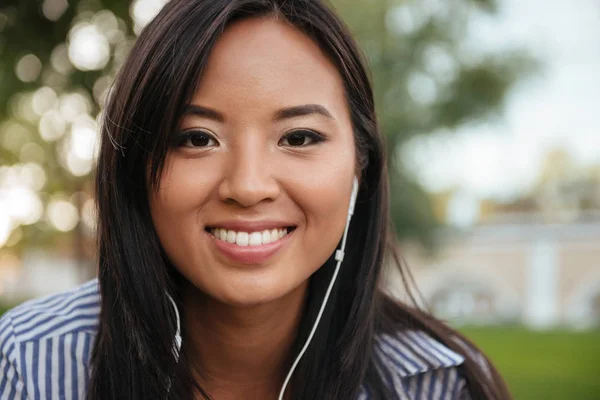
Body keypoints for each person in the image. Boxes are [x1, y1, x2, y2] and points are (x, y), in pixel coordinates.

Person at [0, 0, 512, 399]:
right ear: (136, 167)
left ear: (361, 163)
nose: (247, 187)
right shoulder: (27, 365)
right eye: (197, 138)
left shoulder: (436, 384)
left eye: (300, 137)